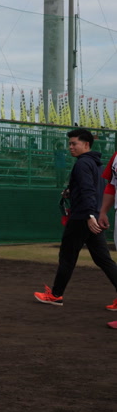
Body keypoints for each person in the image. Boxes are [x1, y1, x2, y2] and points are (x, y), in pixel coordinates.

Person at [35, 129, 117, 309]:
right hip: (92, 216)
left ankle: (55, 295)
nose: (70, 147)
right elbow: (93, 189)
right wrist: (72, 193)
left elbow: (88, 190)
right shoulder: (96, 164)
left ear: (86, 144)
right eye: (70, 144)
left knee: (67, 257)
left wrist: (88, 215)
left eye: (74, 144)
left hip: (82, 217)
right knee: (103, 260)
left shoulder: (82, 164)